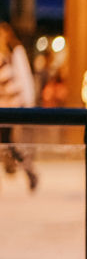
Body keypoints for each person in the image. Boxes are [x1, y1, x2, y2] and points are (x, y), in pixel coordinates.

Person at [0, 22, 38, 191]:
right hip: (6, 105)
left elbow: (20, 79)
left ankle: (28, 171)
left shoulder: (12, 53)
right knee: (8, 142)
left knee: (8, 142)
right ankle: (27, 171)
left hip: (9, 107)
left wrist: (27, 102)